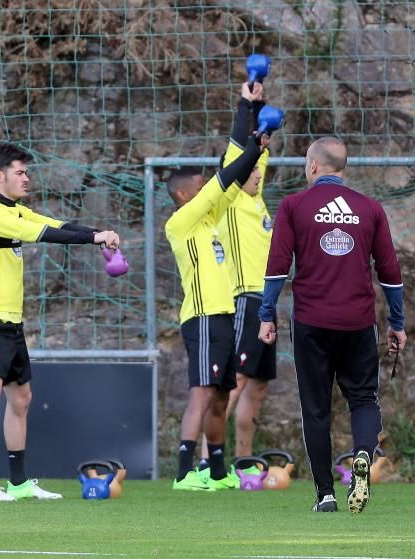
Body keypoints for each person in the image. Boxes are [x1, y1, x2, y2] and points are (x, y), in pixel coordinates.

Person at [258, 136, 405, 513]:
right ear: (343, 169)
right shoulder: (369, 208)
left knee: (316, 408)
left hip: (311, 321)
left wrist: (266, 314)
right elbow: (390, 272)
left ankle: (325, 493)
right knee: (363, 399)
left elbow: (277, 265)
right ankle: (360, 455)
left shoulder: (293, 206)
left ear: (312, 167)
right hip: (358, 322)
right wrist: (398, 323)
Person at [0, 143, 119, 502]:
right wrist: (95, 237)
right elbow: (46, 235)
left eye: (26, 172)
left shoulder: (18, 212)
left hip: (12, 320)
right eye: (19, 172)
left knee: (21, 398)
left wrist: (96, 235)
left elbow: (54, 224)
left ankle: (18, 482)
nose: (26, 178)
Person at [164, 116, 269, 492]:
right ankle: (183, 472)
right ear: (183, 195)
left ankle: (219, 472)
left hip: (224, 315)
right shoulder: (182, 221)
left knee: (222, 395)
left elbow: (230, 184)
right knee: (202, 392)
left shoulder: (209, 221)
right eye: (200, 185)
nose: (207, 187)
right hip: (203, 316)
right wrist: (253, 150)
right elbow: (224, 180)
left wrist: (254, 132)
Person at [197, 81, 277, 473]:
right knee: (238, 381)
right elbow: (239, 147)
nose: (258, 173)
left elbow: (256, 152)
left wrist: (264, 113)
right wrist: (247, 105)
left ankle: (244, 461)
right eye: (251, 169)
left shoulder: (256, 198)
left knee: (258, 387)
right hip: (245, 298)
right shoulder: (229, 200)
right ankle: (204, 461)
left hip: (268, 302)